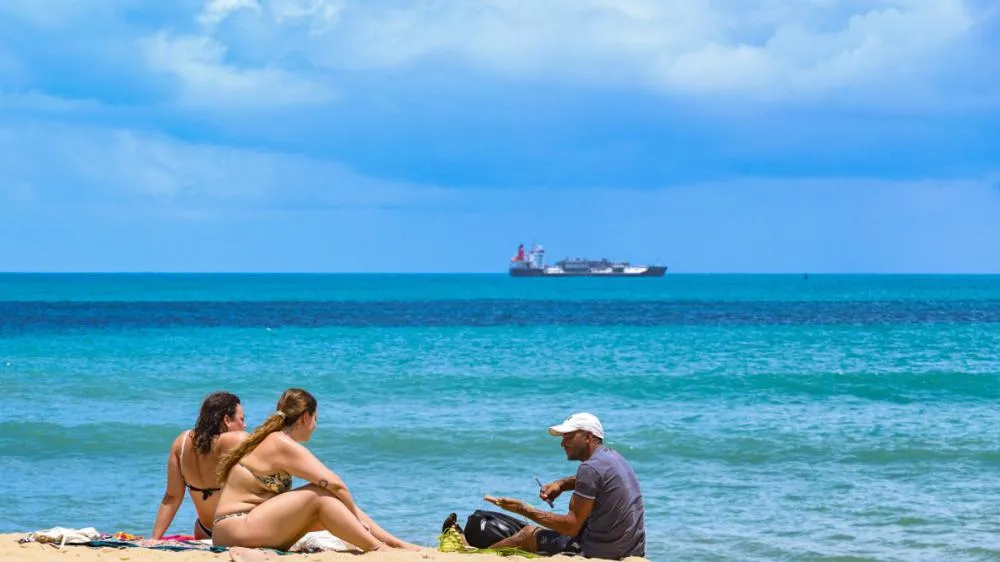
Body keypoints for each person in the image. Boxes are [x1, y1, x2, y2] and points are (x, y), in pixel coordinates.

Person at [211, 388, 420, 554]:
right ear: (304, 417)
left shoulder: (274, 439)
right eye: (315, 419)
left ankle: (390, 543)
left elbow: (337, 496)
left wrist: (358, 520)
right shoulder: (280, 443)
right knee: (319, 495)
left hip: (240, 530)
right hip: (235, 528)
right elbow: (336, 484)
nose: (315, 426)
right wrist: (358, 520)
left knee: (330, 504)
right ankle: (378, 548)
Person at [449, 412, 646, 559]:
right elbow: (596, 481)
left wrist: (523, 509)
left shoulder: (590, 469)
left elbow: (571, 526)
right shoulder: (613, 458)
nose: (562, 443)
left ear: (588, 436)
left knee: (528, 534)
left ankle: (474, 556)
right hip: (632, 548)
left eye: (568, 436)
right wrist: (561, 484)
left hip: (601, 552)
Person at [152, 391, 247, 539]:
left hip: (203, 530)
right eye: (241, 419)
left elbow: (172, 496)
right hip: (233, 529)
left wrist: (155, 538)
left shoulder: (181, 443)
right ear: (227, 420)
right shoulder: (235, 440)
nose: (245, 425)